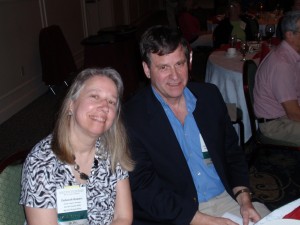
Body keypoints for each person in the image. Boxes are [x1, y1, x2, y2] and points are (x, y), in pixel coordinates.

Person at [124, 25, 270, 225]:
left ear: (189, 61)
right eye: (164, 67)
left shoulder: (209, 96)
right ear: (147, 69)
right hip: (178, 213)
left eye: (179, 64)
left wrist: (244, 198)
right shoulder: (132, 117)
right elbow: (144, 188)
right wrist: (205, 220)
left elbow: (232, 153)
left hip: (227, 198)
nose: (174, 76)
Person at [19, 68, 134, 225]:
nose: (105, 106)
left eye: (112, 102)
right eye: (94, 96)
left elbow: (123, 217)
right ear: (71, 105)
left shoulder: (111, 150)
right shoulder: (41, 162)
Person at [254, 11, 300, 147]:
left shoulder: (291, 53)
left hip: (286, 114)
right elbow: (293, 113)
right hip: (276, 124)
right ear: (289, 35)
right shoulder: (282, 64)